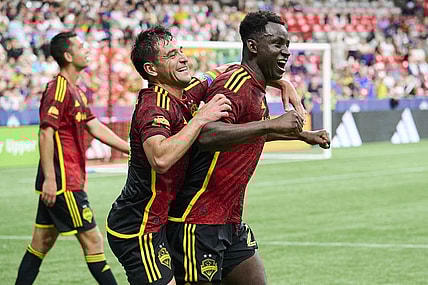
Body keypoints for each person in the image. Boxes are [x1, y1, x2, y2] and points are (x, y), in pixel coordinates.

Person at [166, 10, 330, 285]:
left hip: (229, 218)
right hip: (198, 220)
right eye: (277, 44)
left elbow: (245, 133)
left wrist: (303, 136)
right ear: (253, 46)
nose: (286, 52)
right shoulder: (235, 84)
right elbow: (206, 134)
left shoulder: (255, 85)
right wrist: (270, 125)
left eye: (287, 45)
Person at [105, 26, 232, 285]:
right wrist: (200, 120)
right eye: (172, 55)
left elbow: (227, 69)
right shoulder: (153, 106)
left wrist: (281, 83)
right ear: (152, 70)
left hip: (160, 222)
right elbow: (160, 159)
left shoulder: (186, 91)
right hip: (137, 227)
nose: (184, 58)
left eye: (181, 51)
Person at [15, 31, 129, 285]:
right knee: (94, 242)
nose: (87, 49)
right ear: (68, 55)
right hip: (63, 182)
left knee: (40, 244)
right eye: (81, 46)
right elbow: (46, 133)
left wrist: (129, 148)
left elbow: (94, 125)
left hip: (68, 180)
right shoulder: (58, 89)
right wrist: (50, 179)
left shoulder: (76, 91)